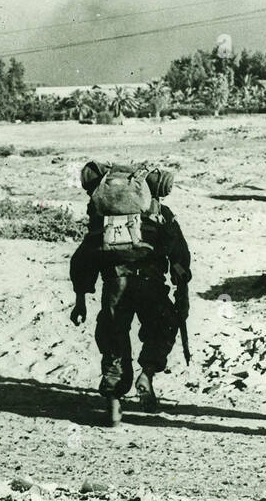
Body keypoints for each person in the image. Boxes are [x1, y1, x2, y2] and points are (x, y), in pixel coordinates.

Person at [70, 162, 190, 426]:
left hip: (114, 285)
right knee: (163, 327)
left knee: (113, 340)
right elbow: (179, 254)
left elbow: (83, 259)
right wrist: (182, 290)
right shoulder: (160, 213)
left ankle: (113, 401)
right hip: (151, 285)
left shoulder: (102, 218)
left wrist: (80, 300)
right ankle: (146, 373)